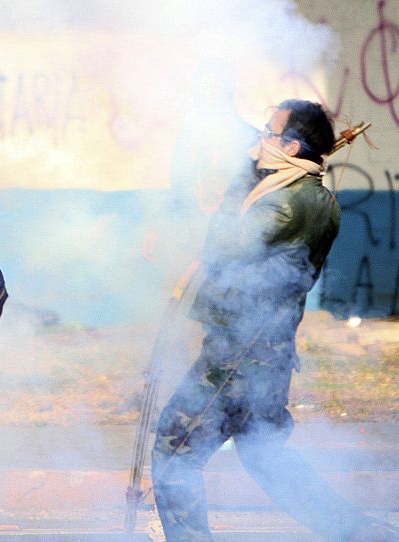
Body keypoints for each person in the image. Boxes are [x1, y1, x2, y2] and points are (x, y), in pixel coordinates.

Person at [151, 100, 399, 542]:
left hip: (241, 355)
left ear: (291, 146)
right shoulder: (293, 190)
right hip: (264, 352)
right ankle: (361, 534)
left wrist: (242, 175)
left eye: (269, 133)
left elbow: (225, 247)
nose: (258, 141)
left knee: (174, 453)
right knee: (265, 455)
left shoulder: (290, 203)